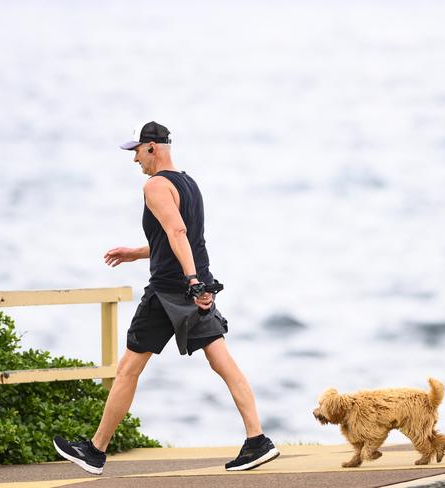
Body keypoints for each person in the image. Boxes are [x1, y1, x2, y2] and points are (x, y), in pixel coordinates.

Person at [53, 121, 280, 475]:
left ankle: (95, 451)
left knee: (128, 368)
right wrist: (141, 253)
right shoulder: (189, 184)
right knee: (222, 361)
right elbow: (179, 240)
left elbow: (177, 232)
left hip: (170, 290)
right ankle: (257, 440)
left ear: (152, 148)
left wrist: (190, 281)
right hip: (195, 284)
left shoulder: (155, 185)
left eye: (137, 153)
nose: (135, 161)